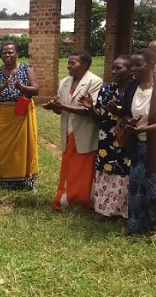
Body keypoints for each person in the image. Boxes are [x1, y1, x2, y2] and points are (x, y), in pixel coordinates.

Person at [120, 48, 156, 239]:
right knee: (137, 187)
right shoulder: (132, 87)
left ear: (150, 63)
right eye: (132, 65)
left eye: (137, 65)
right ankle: (137, 226)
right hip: (137, 145)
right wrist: (128, 121)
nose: (133, 69)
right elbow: (124, 111)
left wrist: (144, 129)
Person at [43, 50, 103, 211]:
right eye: (68, 63)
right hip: (67, 130)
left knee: (83, 167)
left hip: (84, 131)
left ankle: (82, 198)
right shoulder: (65, 82)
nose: (68, 66)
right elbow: (61, 108)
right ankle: (67, 197)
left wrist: (61, 106)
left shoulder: (94, 82)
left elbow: (89, 109)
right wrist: (54, 107)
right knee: (68, 165)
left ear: (84, 65)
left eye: (72, 63)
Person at [79, 55, 132, 218]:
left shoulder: (134, 90)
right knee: (105, 168)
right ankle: (104, 208)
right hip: (106, 137)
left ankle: (120, 211)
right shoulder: (106, 89)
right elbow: (99, 117)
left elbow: (134, 116)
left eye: (119, 68)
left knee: (123, 170)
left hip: (127, 138)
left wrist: (119, 112)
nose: (114, 71)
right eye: (113, 68)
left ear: (130, 71)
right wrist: (90, 108)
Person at [0, 41, 39, 190]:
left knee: (23, 147)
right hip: (3, 113)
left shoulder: (26, 68)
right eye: (4, 53)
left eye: (10, 52)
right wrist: (3, 86)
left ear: (17, 54)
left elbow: (36, 89)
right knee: (4, 147)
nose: (7, 55)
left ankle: (25, 179)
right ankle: (7, 180)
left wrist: (22, 87)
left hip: (21, 113)